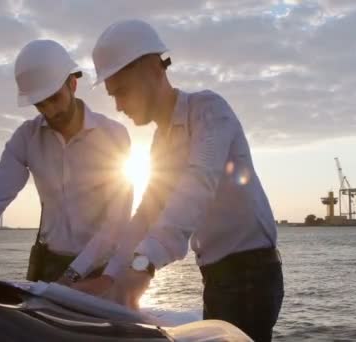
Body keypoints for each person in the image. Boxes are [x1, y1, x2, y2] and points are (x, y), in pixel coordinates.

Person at [73, 20, 284, 342]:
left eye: (123, 91)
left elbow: (199, 183)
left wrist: (144, 264)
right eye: (112, 95)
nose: (117, 106)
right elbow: (147, 214)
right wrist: (112, 275)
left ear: (154, 69)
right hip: (216, 277)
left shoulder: (209, 111)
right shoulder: (161, 143)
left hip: (252, 274)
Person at [0, 39, 133, 287]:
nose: (50, 111)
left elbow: (117, 220)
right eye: (41, 104)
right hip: (48, 266)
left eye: (54, 98)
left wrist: (73, 274)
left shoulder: (113, 135)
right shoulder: (25, 139)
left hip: (101, 269)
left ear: (72, 84)